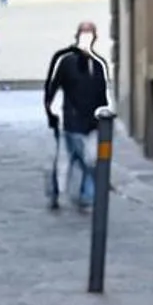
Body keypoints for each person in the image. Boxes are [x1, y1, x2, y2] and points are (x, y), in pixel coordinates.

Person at [43, 19, 110, 211]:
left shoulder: (98, 65)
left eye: (90, 34)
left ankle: (83, 196)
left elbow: (102, 93)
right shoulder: (67, 62)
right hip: (70, 122)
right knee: (72, 161)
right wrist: (51, 114)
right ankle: (65, 194)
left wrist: (104, 115)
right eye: (84, 34)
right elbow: (53, 88)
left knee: (84, 160)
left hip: (93, 123)